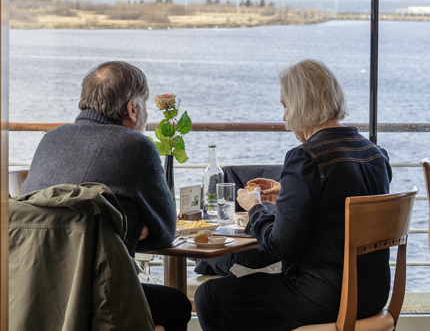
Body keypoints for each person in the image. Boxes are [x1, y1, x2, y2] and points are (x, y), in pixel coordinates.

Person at [194, 59, 392, 331]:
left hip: (322, 297)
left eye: (285, 107)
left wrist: (255, 207)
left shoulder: (306, 158)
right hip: (373, 294)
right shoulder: (374, 153)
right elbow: (338, 204)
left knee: (210, 296)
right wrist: (287, 191)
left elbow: (278, 246)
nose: (284, 118)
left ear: (301, 105)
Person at [21, 61, 191, 331]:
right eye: (144, 104)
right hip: (98, 300)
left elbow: (31, 208)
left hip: (33, 294)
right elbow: (165, 233)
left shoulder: (49, 140)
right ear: (132, 109)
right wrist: (132, 225)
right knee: (177, 304)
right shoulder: (136, 147)